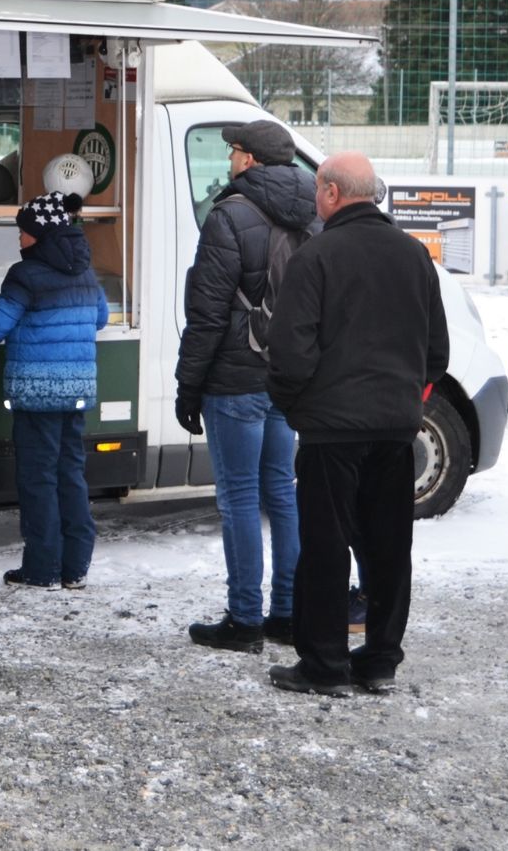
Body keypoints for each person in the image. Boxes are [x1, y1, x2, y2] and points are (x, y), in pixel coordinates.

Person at [265, 152, 447, 697]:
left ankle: (325, 664)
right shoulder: (414, 254)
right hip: (395, 427)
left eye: (317, 190)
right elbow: (436, 350)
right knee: (389, 546)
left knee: (326, 546)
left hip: (331, 430)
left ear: (331, 193)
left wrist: (294, 406)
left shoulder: (316, 255)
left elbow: (290, 351)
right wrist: (406, 397)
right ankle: (381, 659)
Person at [175, 120, 314, 651]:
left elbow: (208, 313)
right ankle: (287, 611)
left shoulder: (229, 215)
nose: (229, 159)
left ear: (249, 159)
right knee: (281, 491)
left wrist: (189, 386)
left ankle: (245, 618)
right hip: (287, 374)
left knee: (237, 497)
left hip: (234, 378)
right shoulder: (314, 211)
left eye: (233, 150)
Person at [0, 191, 109, 589]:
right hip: (76, 389)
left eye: (23, 231)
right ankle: (75, 567)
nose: (19, 238)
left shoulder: (26, 275)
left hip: (37, 393)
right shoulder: (85, 271)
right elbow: (101, 318)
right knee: (71, 474)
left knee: (38, 479)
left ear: (39, 234)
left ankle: (43, 568)